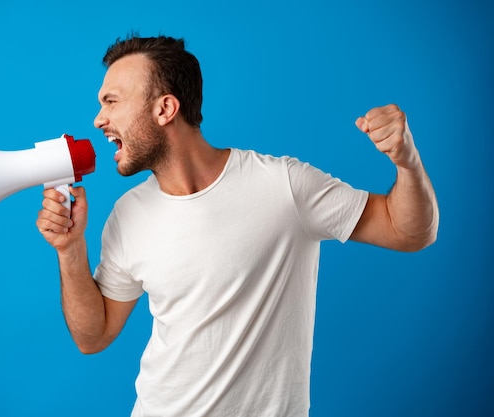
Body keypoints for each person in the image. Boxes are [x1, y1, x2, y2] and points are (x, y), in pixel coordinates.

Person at [36, 35, 439, 417]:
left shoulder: (283, 185)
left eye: (111, 101)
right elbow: (94, 336)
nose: (98, 119)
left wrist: (407, 161)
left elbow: (408, 231)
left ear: (165, 109)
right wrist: (70, 251)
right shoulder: (128, 214)